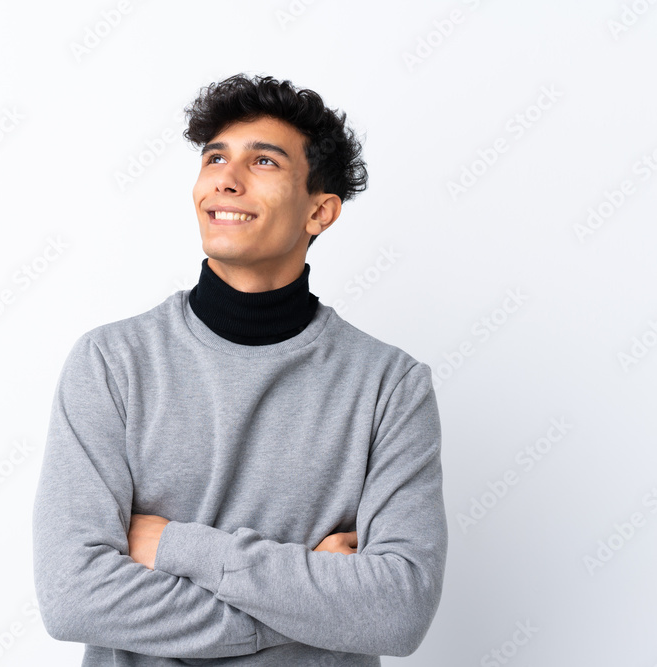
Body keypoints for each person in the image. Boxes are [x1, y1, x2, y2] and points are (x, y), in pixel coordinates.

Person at [32, 72, 448, 666]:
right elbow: (73, 598)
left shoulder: (390, 387)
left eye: (264, 161)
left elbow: (398, 612)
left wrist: (174, 544)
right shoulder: (111, 363)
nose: (225, 179)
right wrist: (307, 608)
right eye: (215, 158)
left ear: (319, 211)